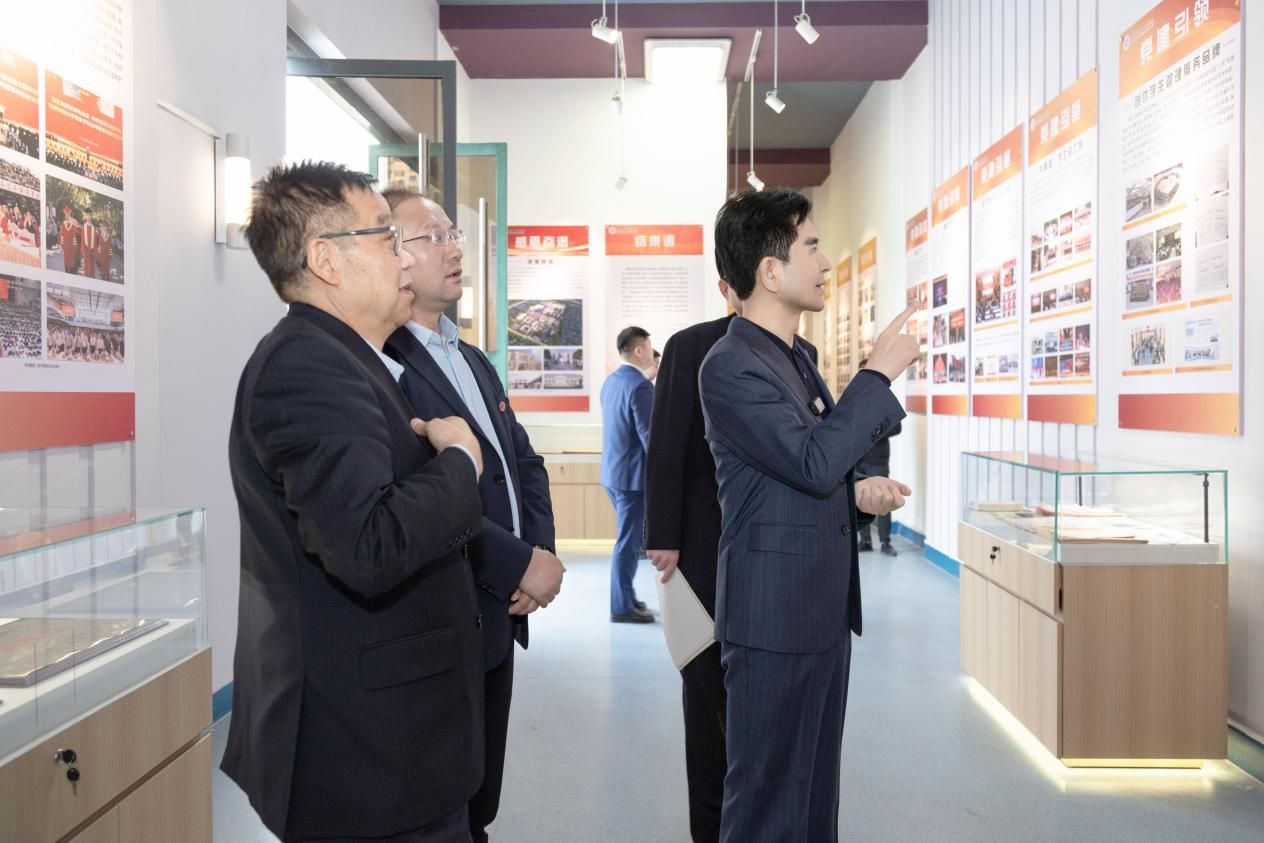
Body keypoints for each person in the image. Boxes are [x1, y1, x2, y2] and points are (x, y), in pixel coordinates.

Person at [221, 160, 490, 842]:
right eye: (386, 237)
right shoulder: (308, 366)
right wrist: (460, 460)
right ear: (325, 260)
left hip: (394, 741)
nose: (405, 257)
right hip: (369, 757)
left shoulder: (348, 358)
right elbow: (370, 544)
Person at [699, 189, 919, 842]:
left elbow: (802, 472)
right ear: (770, 271)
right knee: (768, 804)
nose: (825, 262)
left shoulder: (798, 357)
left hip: (818, 610)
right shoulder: (731, 366)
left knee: (815, 799)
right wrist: (877, 374)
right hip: (772, 618)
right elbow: (813, 460)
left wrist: (858, 492)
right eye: (813, 246)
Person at [382, 189, 564, 842]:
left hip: (499, 608)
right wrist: (515, 564)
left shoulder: (473, 359)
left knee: (480, 799)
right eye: (433, 236)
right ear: (392, 255)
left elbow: (523, 463)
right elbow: (419, 493)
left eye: (453, 234)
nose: (453, 248)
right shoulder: (388, 363)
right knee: (444, 805)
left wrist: (538, 553)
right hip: (448, 605)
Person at [645, 275, 818, 843]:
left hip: (775, 555)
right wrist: (662, 533)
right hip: (701, 549)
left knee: (765, 709)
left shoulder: (803, 352)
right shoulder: (693, 346)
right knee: (707, 701)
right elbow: (666, 442)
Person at [599, 325, 656, 623]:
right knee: (628, 543)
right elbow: (650, 438)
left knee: (629, 541)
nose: (652, 352)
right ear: (638, 350)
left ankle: (626, 596)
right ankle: (621, 607)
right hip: (632, 478)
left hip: (613, 473)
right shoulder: (641, 387)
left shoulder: (612, 382)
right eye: (649, 346)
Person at [856, 356, 902, 557]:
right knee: (860, 499)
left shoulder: (885, 398)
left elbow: (896, 427)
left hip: (878, 459)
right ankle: (865, 540)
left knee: (885, 499)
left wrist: (871, 432)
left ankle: (885, 542)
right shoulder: (853, 398)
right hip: (857, 459)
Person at [59, 208, 81, 274]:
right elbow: (62, 235)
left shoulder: (73, 224)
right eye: (66, 214)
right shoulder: (63, 224)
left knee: (71, 258)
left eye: (68, 214)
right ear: (65, 215)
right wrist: (61, 244)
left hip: (71, 244)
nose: (67, 215)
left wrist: (74, 245)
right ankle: (66, 269)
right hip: (65, 244)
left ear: (70, 214)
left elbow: (74, 236)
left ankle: (71, 269)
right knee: (66, 257)